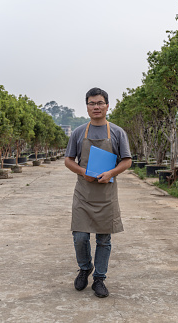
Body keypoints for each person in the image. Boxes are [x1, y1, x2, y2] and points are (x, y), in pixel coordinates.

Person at [64, 87, 132, 298]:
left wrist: (111, 171)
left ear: (107, 105)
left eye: (100, 103)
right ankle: (85, 268)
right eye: (92, 103)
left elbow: (127, 160)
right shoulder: (78, 132)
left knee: (104, 239)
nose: (96, 107)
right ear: (87, 107)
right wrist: (83, 172)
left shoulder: (118, 132)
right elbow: (68, 160)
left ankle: (99, 279)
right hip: (84, 193)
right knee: (80, 236)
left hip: (106, 194)